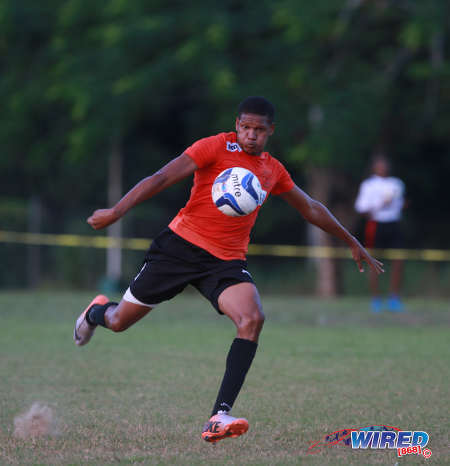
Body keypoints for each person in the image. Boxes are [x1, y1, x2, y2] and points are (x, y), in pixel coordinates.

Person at [74, 96, 384, 443]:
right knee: (118, 322)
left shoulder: (273, 170)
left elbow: (310, 207)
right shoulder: (213, 147)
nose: (251, 135)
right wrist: (117, 211)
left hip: (225, 261)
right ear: (237, 125)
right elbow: (163, 177)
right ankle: (95, 312)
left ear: (270, 131)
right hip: (179, 249)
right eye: (246, 127)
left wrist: (351, 240)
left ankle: (219, 416)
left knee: (252, 319)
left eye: (259, 130)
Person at [355, 154, 405, 312]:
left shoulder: (397, 184)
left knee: (398, 260)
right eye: (380, 164)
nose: (383, 167)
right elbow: (362, 209)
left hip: (394, 224)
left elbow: (400, 204)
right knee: (373, 260)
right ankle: (376, 299)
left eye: (385, 164)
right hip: (376, 224)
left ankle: (394, 298)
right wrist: (381, 204)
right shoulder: (368, 185)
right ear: (374, 167)